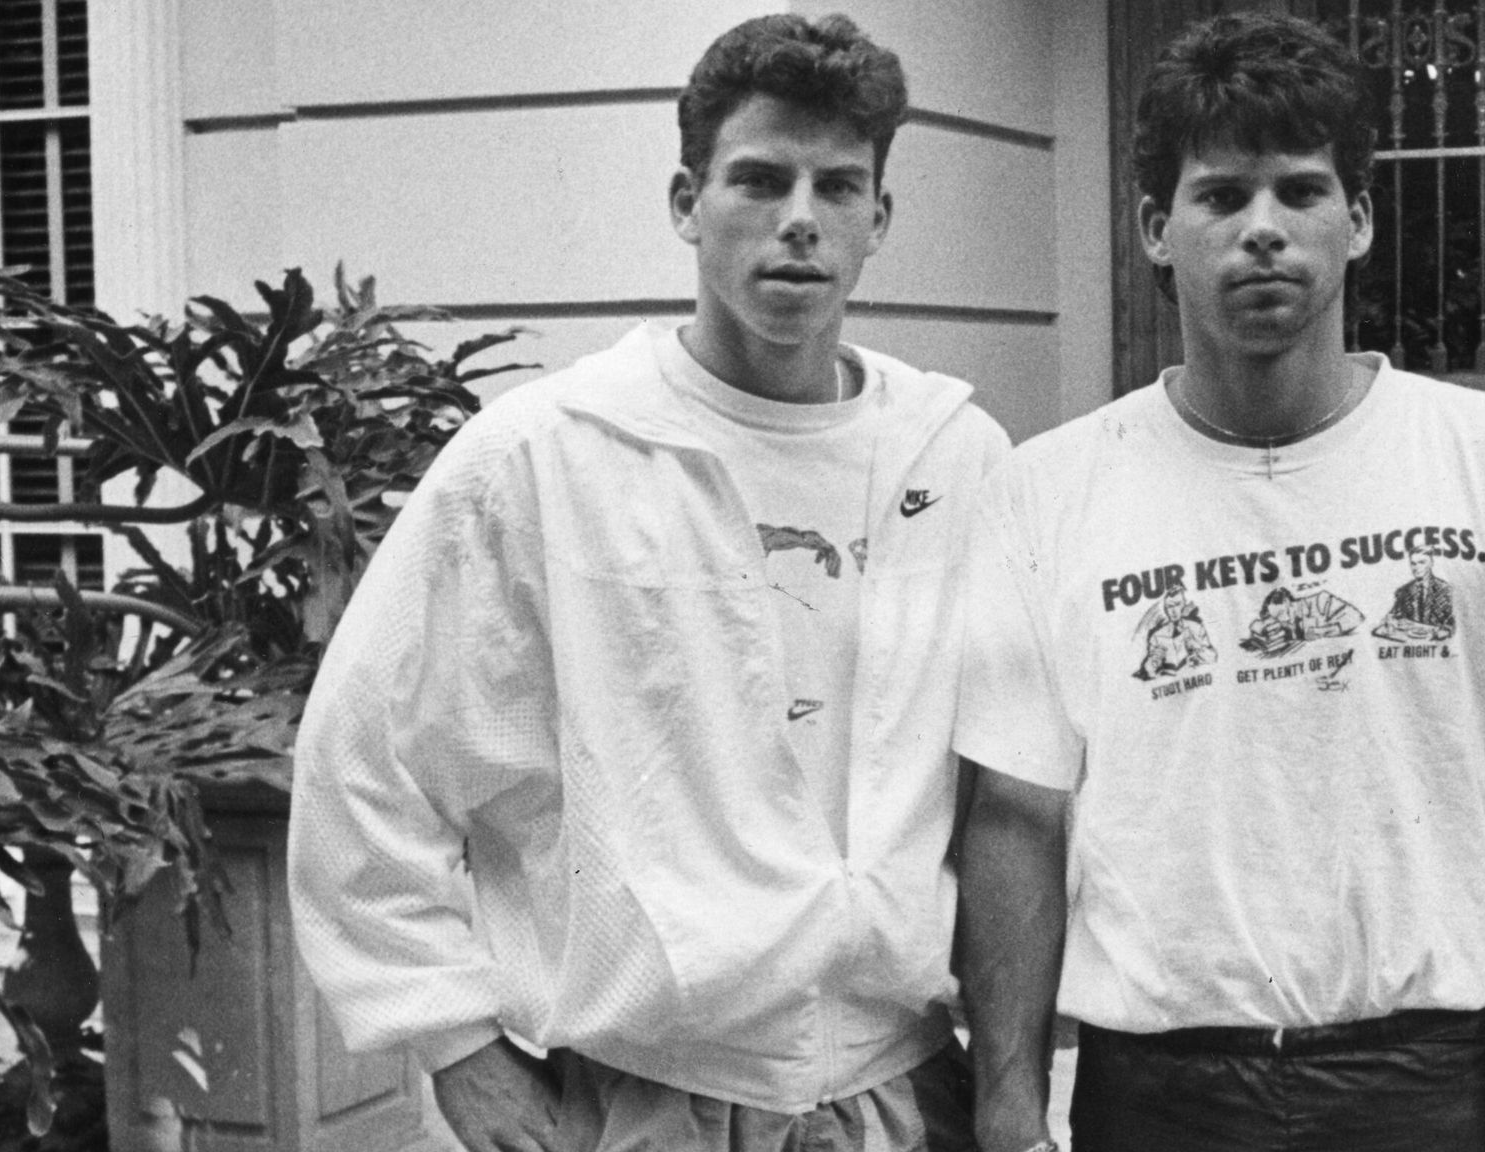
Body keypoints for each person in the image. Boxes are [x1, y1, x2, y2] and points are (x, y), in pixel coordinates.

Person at [287, 14, 1007, 1152]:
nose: (799, 223)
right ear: (686, 202)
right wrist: (453, 1045)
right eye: (758, 182)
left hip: (899, 1091)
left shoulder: (952, 458)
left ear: (879, 217)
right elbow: (364, 759)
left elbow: (1010, 783)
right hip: (636, 1094)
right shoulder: (550, 452)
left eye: (837, 187)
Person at [955, 12, 1485, 1152]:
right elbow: (1014, 823)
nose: (1263, 232)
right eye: (1221, 197)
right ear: (1152, 228)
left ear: (1360, 219)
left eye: (1299, 192)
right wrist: (1005, 1116)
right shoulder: (1048, 492)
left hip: (1421, 1086)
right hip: (1155, 1094)